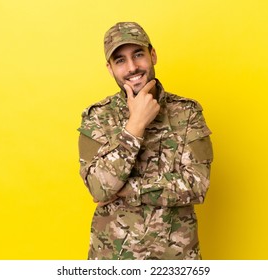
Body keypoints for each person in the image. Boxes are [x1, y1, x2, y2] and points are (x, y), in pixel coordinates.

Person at [78, 22, 213, 260]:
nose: (132, 67)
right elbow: (99, 189)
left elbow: (196, 186)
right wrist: (135, 126)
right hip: (112, 258)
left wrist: (125, 190)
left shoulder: (187, 112)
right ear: (110, 68)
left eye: (138, 55)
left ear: (153, 55)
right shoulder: (97, 117)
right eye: (120, 60)